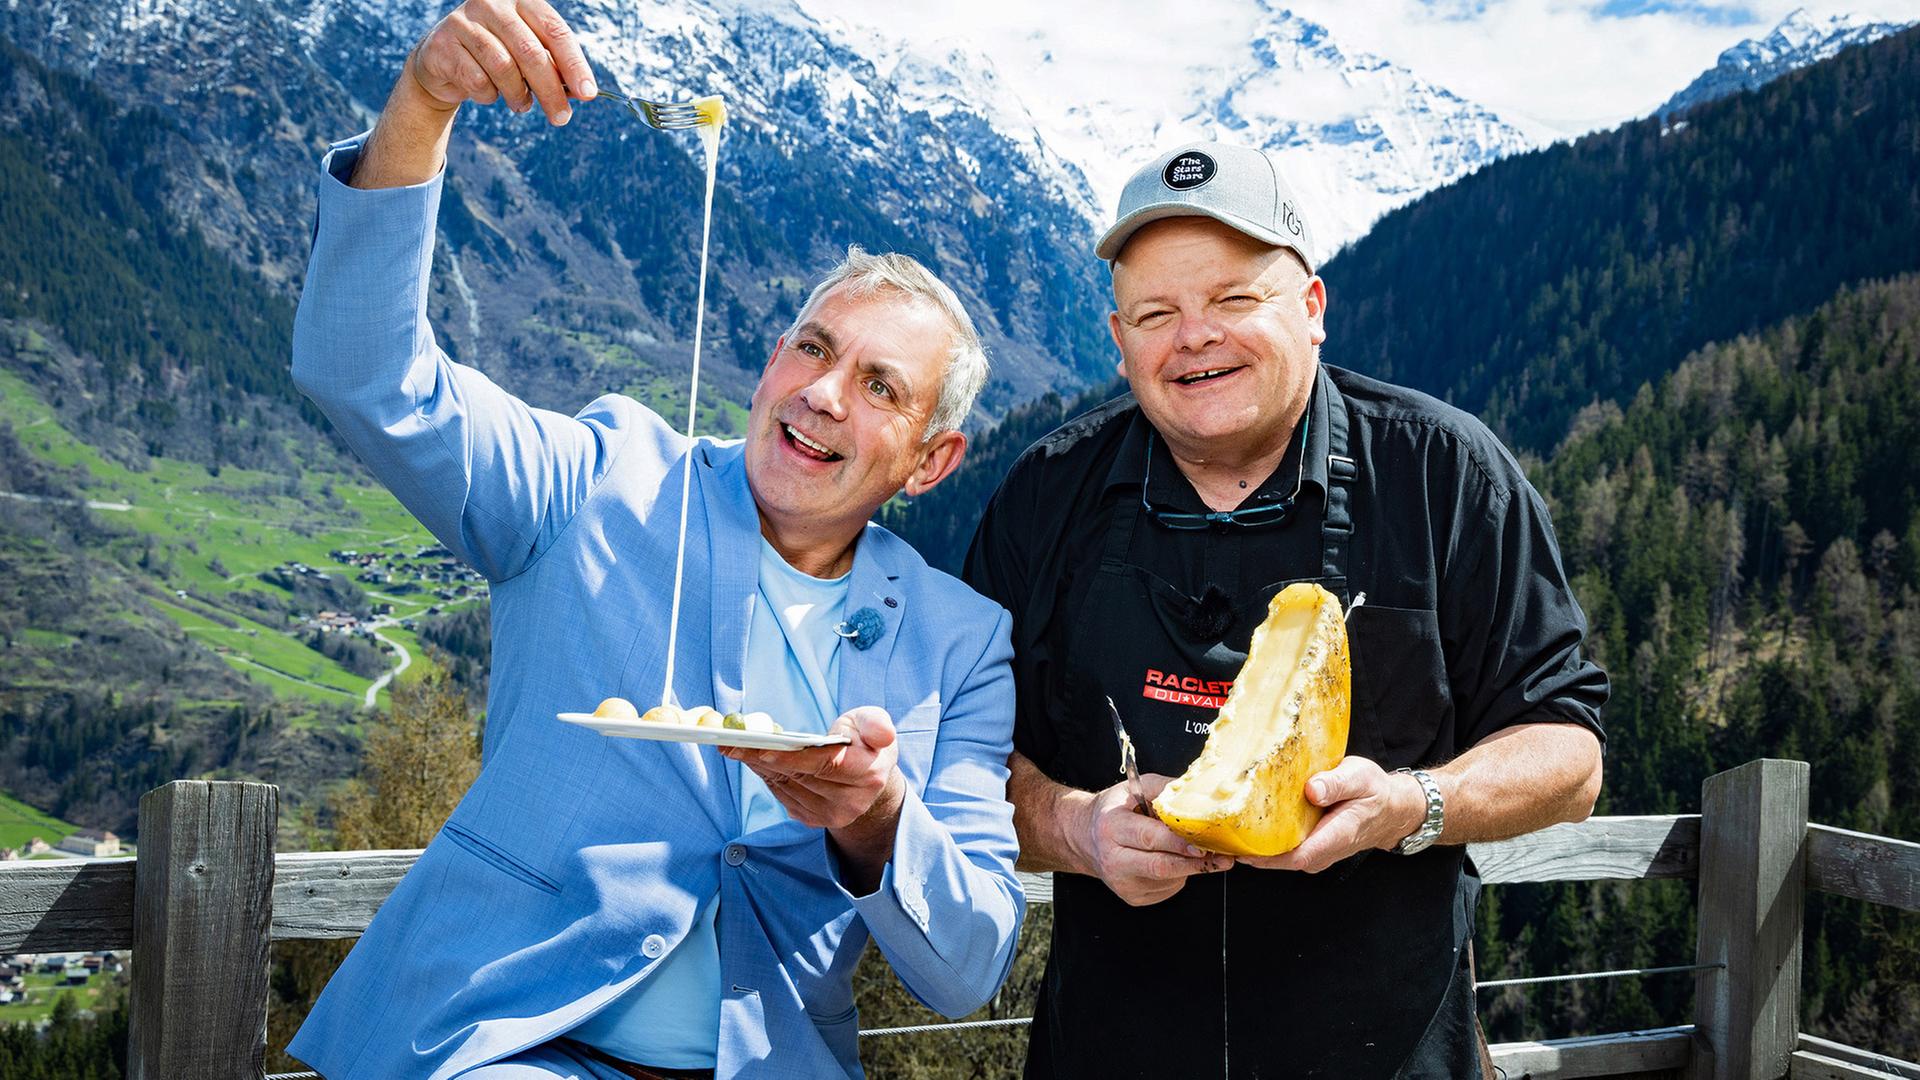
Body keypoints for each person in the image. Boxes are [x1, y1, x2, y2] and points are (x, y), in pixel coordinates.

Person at [285, 3, 1023, 1077]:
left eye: (877, 387)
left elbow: (970, 965)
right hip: (501, 1047)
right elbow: (366, 376)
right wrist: (423, 105)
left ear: (932, 461)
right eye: (809, 349)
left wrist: (875, 819)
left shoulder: (961, 645)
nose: (819, 396)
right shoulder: (601, 480)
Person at [962, 142, 1609, 1078]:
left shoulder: (1447, 476)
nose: (1194, 337)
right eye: (1157, 314)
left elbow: (1569, 754)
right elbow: (963, 758)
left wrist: (1412, 805)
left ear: (1310, 311)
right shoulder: (1046, 496)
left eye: (1233, 300)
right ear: (1118, 339)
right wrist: (1077, 829)